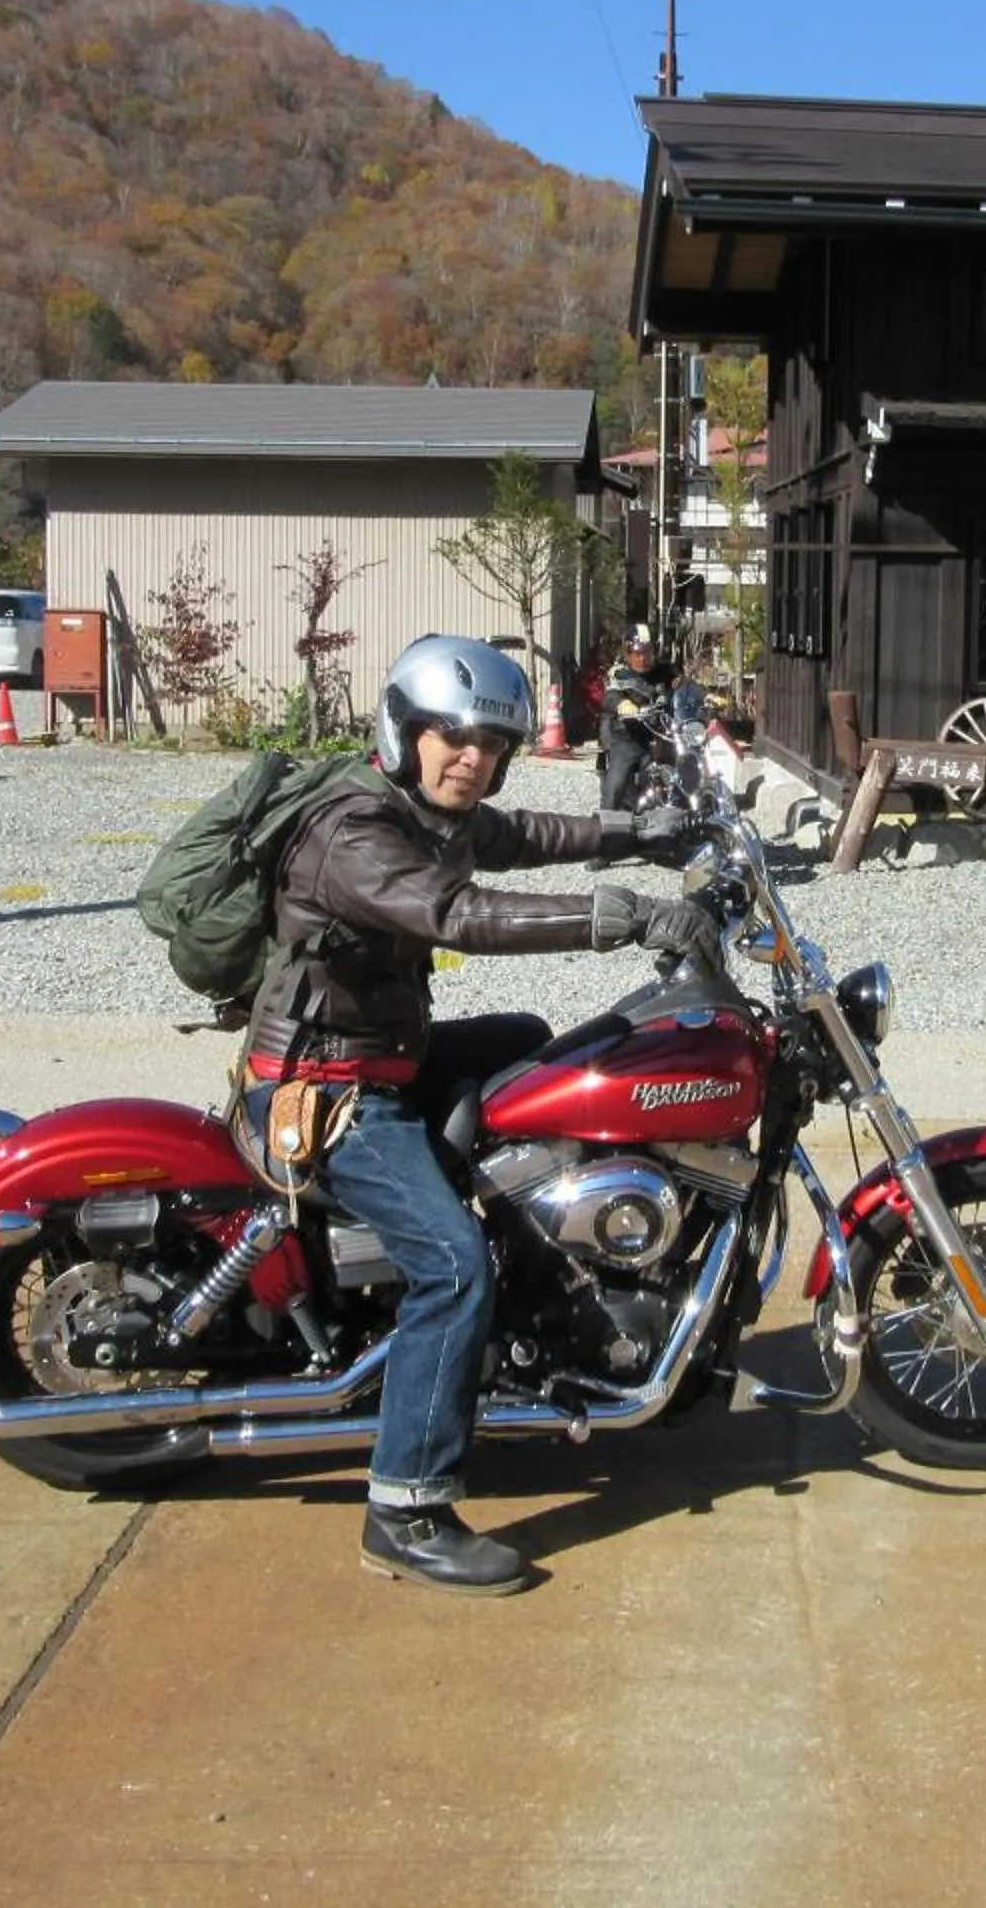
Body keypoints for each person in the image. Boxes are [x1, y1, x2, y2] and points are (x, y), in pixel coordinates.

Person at [239, 633, 715, 1595]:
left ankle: (537, 1250)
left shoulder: (430, 809)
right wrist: (627, 916)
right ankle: (406, 1508)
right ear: (405, 731)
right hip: (329, 1091)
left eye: (491, 747)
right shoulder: (355, 833)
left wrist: (646, 832)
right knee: (454, 1267)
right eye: (453, 738)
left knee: (541, 1045)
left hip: (383, 1059)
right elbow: (462, 916)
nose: (474, 760)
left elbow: (528, 836)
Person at [598, 622, 679, 814]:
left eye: (647, 652)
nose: (643, 658)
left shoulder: (665, 671)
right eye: (638, 653)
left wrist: (702, 695)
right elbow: (610, 695)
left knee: (681, 774)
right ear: (628, 652)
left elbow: (684, 685)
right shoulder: (619, 673)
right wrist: (622, 704)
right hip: (629, 737)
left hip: (660, 735)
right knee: (615, 785)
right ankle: (605, 828)